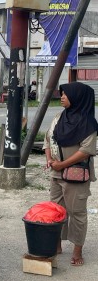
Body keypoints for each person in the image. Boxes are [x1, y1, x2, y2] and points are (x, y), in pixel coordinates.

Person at [43, 82, 98, 266]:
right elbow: (48, 138)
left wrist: (62, 164)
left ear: (78, 97)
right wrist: (50, 159)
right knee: (56, 211)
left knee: (76, 212)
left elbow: (86, 150)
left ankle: (77, 251)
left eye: (66, 94)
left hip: (76, 173)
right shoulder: (59, 117)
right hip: (56, 173)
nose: (62, 96)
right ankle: (56, 245)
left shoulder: (89, 123)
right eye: (62, 93)